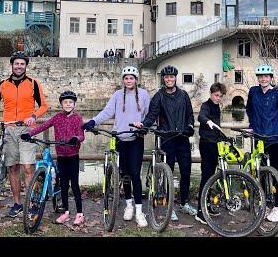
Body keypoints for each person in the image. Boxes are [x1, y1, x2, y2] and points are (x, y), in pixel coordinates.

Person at [0, 52, 49, 218]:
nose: (19, 66)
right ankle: (17, 204)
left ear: (26, 66)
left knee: (28, 167)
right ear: (12, 65)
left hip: (27, 130)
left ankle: (31, 203)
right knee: (12, 167)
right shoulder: (3, 85)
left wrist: (34, 117)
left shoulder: (33, 84)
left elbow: (44, 105)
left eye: (22, 64)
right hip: (9, 129)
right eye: (16, 64)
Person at [83, 66, 151, 227]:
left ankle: (139, 211)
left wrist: (143, 125)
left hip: (136, 138)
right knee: (124, 174)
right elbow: (107, 112)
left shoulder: (143, 94)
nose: (129, 81)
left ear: (136, 80)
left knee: (135, 173)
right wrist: (93, 121)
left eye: (132, 78)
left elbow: (149, 115)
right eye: (126, 78)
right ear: (123, 80)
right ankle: (128, 205)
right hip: (120, 138)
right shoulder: (117, 95)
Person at [137, 65, 196, 221]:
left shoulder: (183, 95)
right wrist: (144, 127)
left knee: (186, 172)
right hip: (167, 139)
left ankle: (184, 202)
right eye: (166, 77)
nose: (169, 79)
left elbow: (190, 115)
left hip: (182, 138)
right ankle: (169, 206)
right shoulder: (159, 96)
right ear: (163, 79)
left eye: (172, 77)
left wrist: (190, 126)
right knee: (167, 174)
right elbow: (151, 116)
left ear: (175, 78)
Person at [22, 90, 86, 225]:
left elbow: (81, 135)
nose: (68, 104)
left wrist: (76, 139)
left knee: (74, 185)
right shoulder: (57, 118)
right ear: (61, 104)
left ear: (74, 104)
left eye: (70, 102)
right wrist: (30, 134)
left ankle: (80, 214)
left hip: (73, 156)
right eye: (65, 102)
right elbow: (44, 126)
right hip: (61, 155)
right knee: (63, 184)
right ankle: (66, 212)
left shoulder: (77, 118)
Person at [246, 64, 278, 223]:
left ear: (271, 78)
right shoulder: (253, 92)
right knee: (258, 171)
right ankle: (262, 202)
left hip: (274, 138)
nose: (263, 79)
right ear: (258, 78)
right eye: (261, 76)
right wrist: (251, 125)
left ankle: (277, 207)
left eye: (266, 76)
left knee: (274, 172)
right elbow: (249, 110)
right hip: (258, 138)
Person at [194, 82, 226, 225]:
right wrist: (208, 122)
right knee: (206, 176)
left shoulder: (217, 106)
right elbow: (201, 117)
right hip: (206, 145)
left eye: (220, 96)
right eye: (216, 95)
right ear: (211, 94)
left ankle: (207, 205)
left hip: (215, 144)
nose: (218, 98)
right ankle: (200, 211)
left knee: (212, 177)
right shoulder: (206, 105)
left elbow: (217, 127)